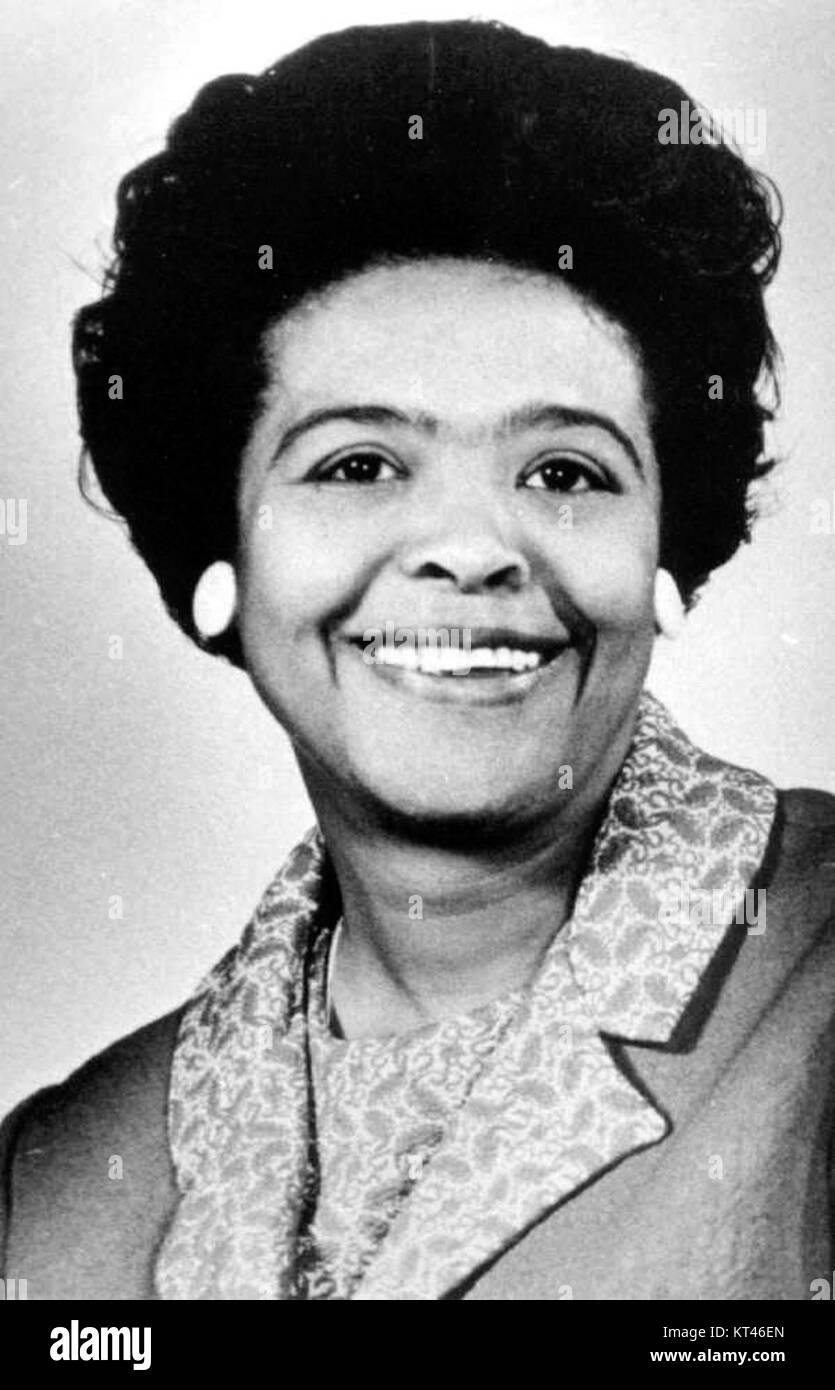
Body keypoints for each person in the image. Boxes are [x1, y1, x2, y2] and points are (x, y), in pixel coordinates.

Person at [1, 18, 833, 1302]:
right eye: (357, 464)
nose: (470, 550)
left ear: (667, 543)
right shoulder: (51, 1181)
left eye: (564, 472)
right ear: (222, 550)